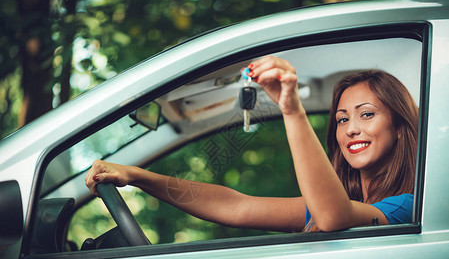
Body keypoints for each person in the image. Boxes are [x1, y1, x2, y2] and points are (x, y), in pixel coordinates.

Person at [85, 56, 418, 233]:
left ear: (400, 128)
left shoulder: (408, 207)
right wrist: (137, 176)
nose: (351, 130)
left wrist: (290, 109)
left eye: (367, 115)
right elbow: (236, 206)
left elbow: (333, 217)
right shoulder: (333, 204)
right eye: (343, 119)